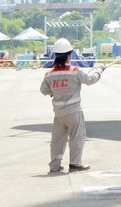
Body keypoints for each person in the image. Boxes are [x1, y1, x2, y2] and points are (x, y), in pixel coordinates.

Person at [40, 38, 104, 173]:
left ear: (55, 56)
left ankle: (55, 165)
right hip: (74, 112)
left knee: (57, 140)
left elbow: (43, 90)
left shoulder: (49, 74)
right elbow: (90, 79)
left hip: (58, 114)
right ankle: (75, 163)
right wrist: (99, 69)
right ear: (69, 55)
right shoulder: (75, 71)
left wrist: (55, 91)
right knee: (77, 136)